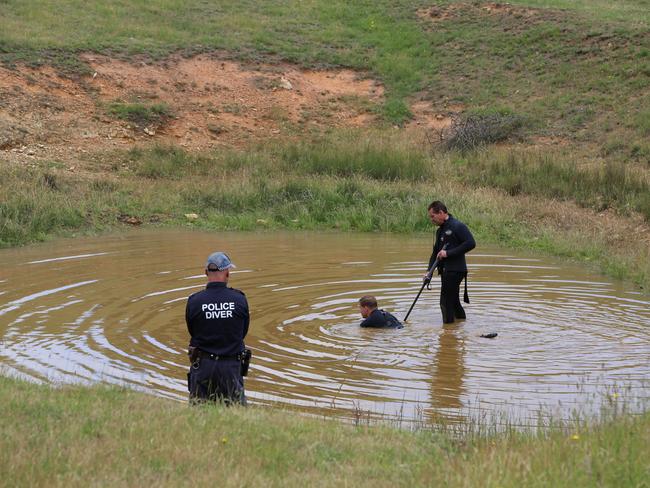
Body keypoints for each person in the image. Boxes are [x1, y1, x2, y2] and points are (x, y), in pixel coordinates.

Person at [186, 251, 249, 405]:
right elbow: (243, 332)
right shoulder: (239, 299)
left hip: (203, 367)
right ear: (227, 273)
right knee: (237, 415)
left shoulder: (194, 301)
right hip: (231, 367)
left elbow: (192, 330)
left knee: (198, 413)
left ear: (205, 272)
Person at [425, 201, 475, 324]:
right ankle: (461, 325)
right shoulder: (439, 231)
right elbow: (435, 253)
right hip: (446, 271)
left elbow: (471, 243)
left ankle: (448, 336)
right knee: (453, 301)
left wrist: (448, 253)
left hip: (455, 270)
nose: (431, 220)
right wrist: (428, 273)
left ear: (441, 213)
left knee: (445, 302)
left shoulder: (457, 226)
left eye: (433, 216)